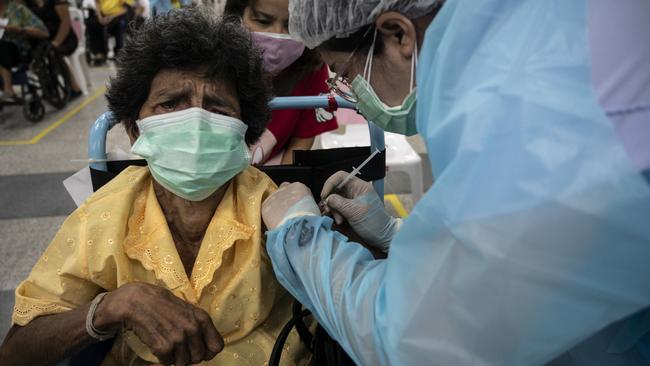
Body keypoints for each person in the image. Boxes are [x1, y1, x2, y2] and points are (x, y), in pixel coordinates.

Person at [260, 0, 650, 365]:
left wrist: (302, 238)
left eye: (345, 76)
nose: (354, 98)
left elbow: (416, 341)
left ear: (398, 34)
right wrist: (399, 239)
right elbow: (537, 264)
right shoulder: (529, 37)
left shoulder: (523, 117)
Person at [0, 7, 311, 365]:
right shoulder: (104, 215)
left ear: (245, 131)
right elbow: (15, 350)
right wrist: (110, 307)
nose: (196, 123)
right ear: (135, 129)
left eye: (218, 109)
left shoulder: (275, 208)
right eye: (170, 104)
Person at [224, 0, 338, 165]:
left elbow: (301, 142)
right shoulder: (216, 65)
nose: (277, 35)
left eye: (292, 25)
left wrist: (284, 185)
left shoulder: (312, 69)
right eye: (263, 21)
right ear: (237, 16)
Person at [25, 0, 83, 98]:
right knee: (34, 53)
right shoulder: (28, 3)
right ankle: (47, 88)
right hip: (42, 39)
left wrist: (57, 41)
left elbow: (66, 21)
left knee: (52, 51)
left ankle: (74, 87)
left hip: (64, 37)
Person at [0, 0, 48, 102]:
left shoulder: (18, 9)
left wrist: (20, 29)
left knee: (2, 46)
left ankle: (8, 89)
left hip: (20, 50)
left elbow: (44, 32)